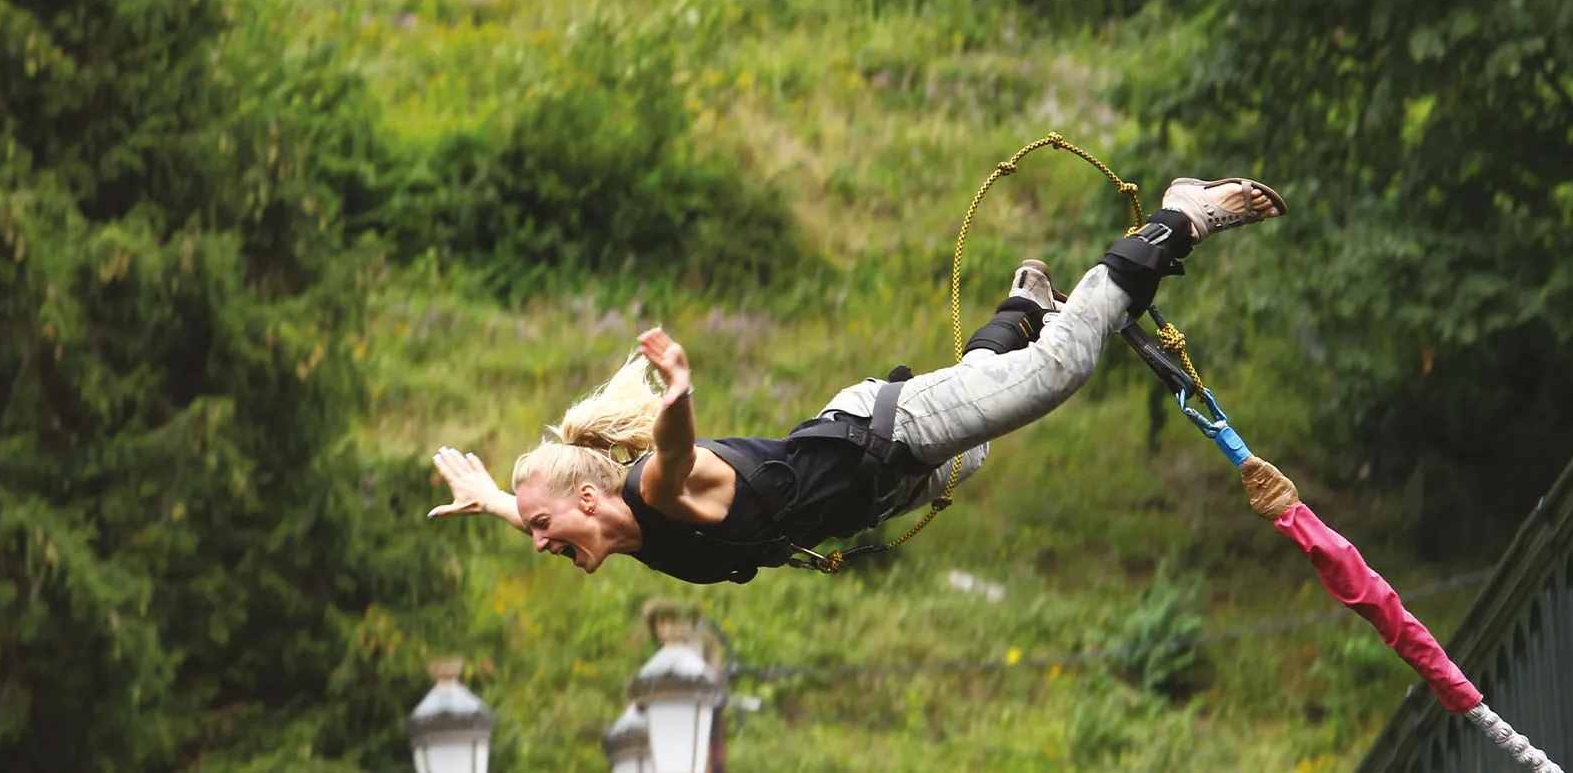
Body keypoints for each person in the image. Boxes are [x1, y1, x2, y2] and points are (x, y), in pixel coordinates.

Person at [427, 178, 1287, 584]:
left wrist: (679, 392)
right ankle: (1024, 308)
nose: (537, 543)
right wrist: (493, 499)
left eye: (543, 527)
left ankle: (1178, 216)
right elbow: (545, 509)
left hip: (883, 432)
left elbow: (674, 454)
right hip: (892, 484)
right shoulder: (610, 520)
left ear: (588, 498)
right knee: (981, 434)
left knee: (1057, 374)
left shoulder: (654, 486)